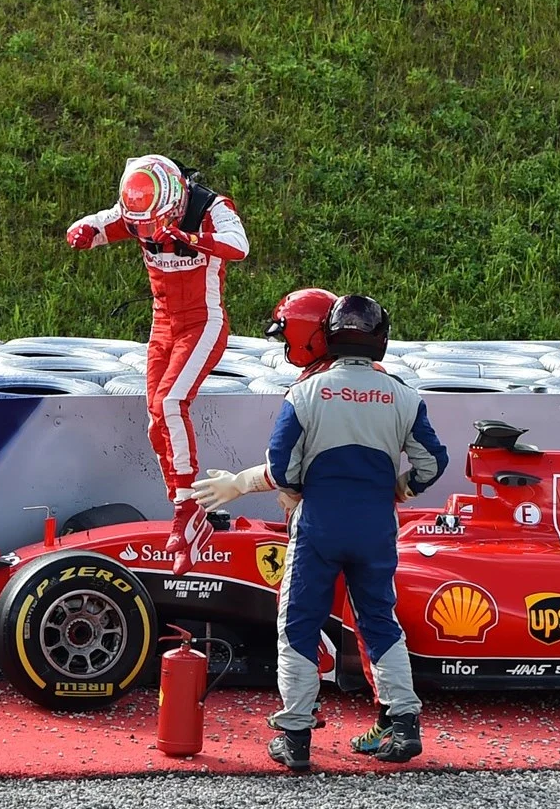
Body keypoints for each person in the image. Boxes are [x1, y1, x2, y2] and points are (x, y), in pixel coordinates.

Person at [192, 292, 448, 770]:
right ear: (380, 340)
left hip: (319, 526)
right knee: (380, 622)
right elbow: (433, 463)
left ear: (326, 335)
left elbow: (282, 469)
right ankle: (404, 724)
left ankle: (295, 735)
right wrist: (399, 488)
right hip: (376, 527)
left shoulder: (306, 393)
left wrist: (287, 489)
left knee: (298, 624)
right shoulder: (402, 394)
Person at [66, 154, 249, 574]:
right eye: (141, 228)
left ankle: (186, 508)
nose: (148, 234)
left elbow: (240, 247)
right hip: (163, 323)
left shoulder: (211, 208)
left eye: (155, 225)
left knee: (170, 403)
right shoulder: (140, 209)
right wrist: (82, 232)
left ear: (177, 199)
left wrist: (190, 238)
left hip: (203, 322)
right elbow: (98, 226)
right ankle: (185, 506)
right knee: (155, 419)